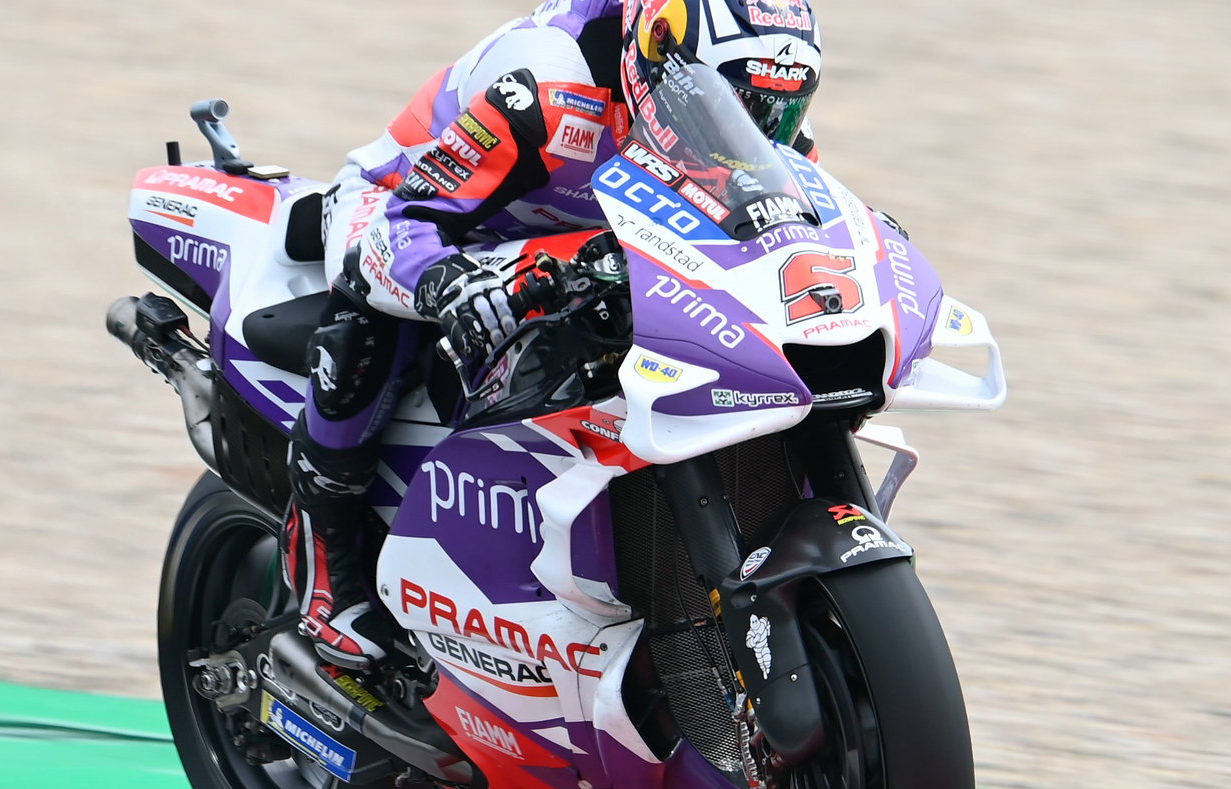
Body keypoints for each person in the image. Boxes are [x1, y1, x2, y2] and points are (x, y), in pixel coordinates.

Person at [283, 0, 825, 670]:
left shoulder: (758, 122)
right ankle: (323, 555)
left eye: (778, 108)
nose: (757, 128)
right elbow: (405, 218)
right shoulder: (545, 85)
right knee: (375, 301)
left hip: (582, 241)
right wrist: (446, 282)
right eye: (731, 102)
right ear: (658, 61)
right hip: (420, 213)